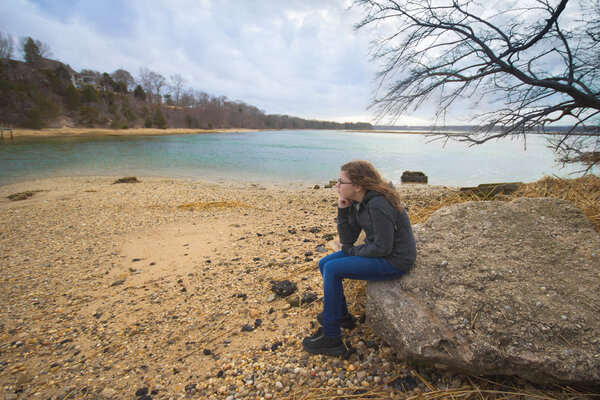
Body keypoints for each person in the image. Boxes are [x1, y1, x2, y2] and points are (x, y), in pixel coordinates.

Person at [302, 160, 417, 356]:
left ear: (357, 185)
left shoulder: (378, 204)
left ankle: (332, 338)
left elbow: (383, 247)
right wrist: (342, 209)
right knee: (324, 263)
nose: (336, 186)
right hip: (380, 251)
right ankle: (343, 317)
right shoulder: (359, 202)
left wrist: (352, 251)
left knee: (332, 269)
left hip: (394, 260)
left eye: (341, 182)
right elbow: (348, 238)